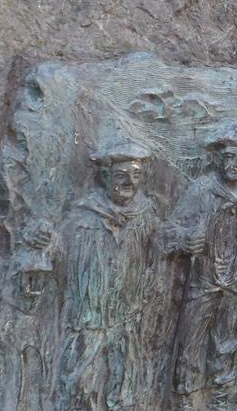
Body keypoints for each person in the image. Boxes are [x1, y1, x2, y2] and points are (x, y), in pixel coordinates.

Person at [162, 122, 237, 410]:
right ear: (218, 158)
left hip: (236, 287)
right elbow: (168, 233)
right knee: (190, 347)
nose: (236, 164)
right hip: (204, 285)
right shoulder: (202, 190)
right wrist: (185, 240)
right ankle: (183, 401)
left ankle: (220, 403)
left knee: (227, 347)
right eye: (230, 157)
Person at [56, 137, 157, 410]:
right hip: (90, 318)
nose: (130, 183)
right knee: (80, 381)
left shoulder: (145, 215)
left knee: (125, 381)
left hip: (127, 315)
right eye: (122, 175)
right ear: (104, 175)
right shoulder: (82, 217)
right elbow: (57, 259)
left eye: (136, 175)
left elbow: (157, 255)